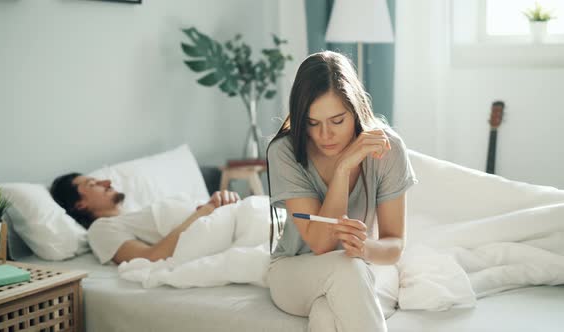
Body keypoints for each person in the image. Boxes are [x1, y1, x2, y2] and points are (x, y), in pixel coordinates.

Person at [266, 51, 417, 331]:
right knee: (347, 268)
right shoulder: (283, 152)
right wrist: (344, 168)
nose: (325, 135)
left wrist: (364, 248)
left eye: (337, 121)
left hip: (361, 266)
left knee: (327, 315)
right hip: (294, 271)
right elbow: (321, 244)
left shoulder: (388, 148)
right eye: (313, 123)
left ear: (356, 111)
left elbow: (394, 244)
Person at [50, 172, 240, 264]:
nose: (106, 181)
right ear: (80, 204)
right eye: (93, 184)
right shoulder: (101, 229)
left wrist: (224, 202)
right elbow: (151, 257)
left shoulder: (139, 214)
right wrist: (206, 210)